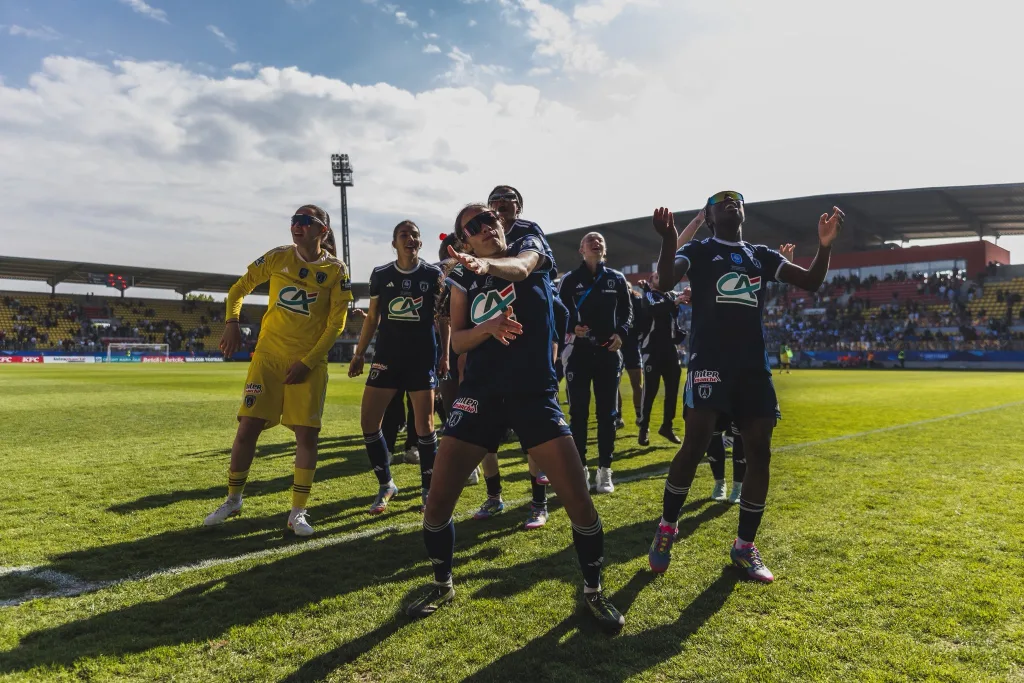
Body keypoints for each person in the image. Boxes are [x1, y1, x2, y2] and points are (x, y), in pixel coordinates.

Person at [405, 204, 624, 633]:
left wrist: (486, 263)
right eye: (475, 225)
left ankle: (594, 591)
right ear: (463, 240)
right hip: (479, 396)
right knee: (437, 503)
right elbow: (459, 340)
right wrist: (488, 328)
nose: (487, 225)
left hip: (533, 394)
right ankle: (442, 583)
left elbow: (522, 270)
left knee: (579, 501)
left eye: (491, 218)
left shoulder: (532, 247)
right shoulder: (463, 277)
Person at [647, 190, 844, 582]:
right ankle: (667, 527)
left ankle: (744, 547)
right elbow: (666, 279)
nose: (731, 202)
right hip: (709, 365)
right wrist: (669, 240)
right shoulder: (701, 251)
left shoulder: (762, 255)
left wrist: (824, 247)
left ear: (744, 213)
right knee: (695, 445)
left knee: (760, 453)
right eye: (721, 200)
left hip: (753, 368)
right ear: (709, 214)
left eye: (736, 199)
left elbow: (811, 281)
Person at [203, 205, 352, 536]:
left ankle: (297, 512)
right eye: (294, 221)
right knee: (247, 429)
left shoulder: (336, 271)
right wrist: (232, 323)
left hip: (308, 362)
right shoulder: (277, 257)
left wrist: (308, 362)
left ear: (322, 231)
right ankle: (233, 499)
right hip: (267, 359)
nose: (297, 226)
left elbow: (337, 322)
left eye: (305, 222)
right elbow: (237, 289)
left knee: (306, 435)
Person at [469, 185, 562, 528]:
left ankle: (539, 503)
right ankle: (494, 497)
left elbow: (525, 269)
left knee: (535, 435)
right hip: (491, 345)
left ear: (518, 209)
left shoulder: (527, 234)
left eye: (508, 204)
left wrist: (484, 263)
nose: (500, 209)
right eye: (495, 205)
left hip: (529, 338)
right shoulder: (479, 242)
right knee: (485, 435)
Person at [348, 221, 447, 514]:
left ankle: (429, 490)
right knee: (369, 422)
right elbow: (373, 317)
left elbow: (442, 318)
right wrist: (359, 353)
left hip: (421, 357)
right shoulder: (381, 274)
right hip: (387, 356)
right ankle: (386, 484)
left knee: (425, 426)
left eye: (415, 235)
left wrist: (445, 356)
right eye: (404, 235)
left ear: (420, 243)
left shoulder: (433, 274)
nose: (410, 239)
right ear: (394, 243)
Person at [558, 232, 632, 494]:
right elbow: (558, 311)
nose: (596, 242)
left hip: (608, 354)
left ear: (604, 250)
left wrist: (621, 333)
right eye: (590, 240)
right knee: (578, 413)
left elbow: (627, 312)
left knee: (607, 415)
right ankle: (581, 469)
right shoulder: (570, 280)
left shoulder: (617, 278)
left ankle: (604, 470)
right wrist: (571, 327)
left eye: (600, 240)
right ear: (581, 249)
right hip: (578, 354)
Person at [636, 273, 685, 446]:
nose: (662, 279)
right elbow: (654, 309)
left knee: (672, 390)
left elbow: (672, 314)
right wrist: (675, 302)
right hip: (652, 349)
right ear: (651, 282)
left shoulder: (670, 296)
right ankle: (643, 428)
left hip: (670, 349)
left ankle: (667, 426)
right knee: (650, 390)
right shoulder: (649, 294)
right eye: (657, 277)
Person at [617, 287, 645, 427]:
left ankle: (640, 415)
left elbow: (643, 322)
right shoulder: (614, 299)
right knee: (615, 383)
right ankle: (617, 416)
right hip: (617, 345)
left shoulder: (637, 301)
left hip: (632, 346)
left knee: (637, 383)